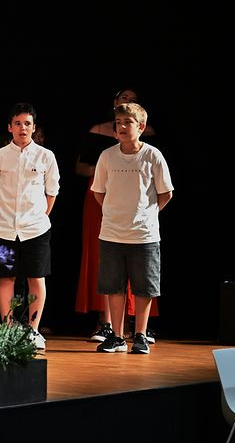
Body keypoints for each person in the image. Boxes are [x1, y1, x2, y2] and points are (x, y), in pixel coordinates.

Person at [76, 88, 159, 341]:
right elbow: (81, 167)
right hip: (103, 201)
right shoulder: (99, 136)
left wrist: (148, 211)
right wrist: (109, 172)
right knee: (105, 262)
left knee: (140, 266)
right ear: (114, 103)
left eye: (133, 100)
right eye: (124, 98)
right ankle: (107, 324)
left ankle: (138, 327)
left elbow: (165, 191)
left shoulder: (150, 142)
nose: (128, 102)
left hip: (139, 209)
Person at [92, 103, 172, 355]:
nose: (122, 127)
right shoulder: (107, 156)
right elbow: (98, 192)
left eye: (128, 122)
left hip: (144, 234)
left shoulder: (152, 155)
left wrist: (146, 215)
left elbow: (166, 193)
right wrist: (115, 213)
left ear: (141, 127)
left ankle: (140, 336)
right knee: (113, 287)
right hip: (112, 233)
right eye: (119, 122)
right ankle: (117, 337)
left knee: (143, 288)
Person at [0, 103, 59, 350]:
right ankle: (7, 329)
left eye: (27, 124)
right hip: (4, 228)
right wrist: (6, 215)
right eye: (17, 123)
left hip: (35, 228)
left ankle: (33, 330)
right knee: (6, 279)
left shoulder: (46, 156)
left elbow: (52, 192)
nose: (22, 128)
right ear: (10, 127)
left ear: (34, 127)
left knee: (36, 278)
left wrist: (38, 216)